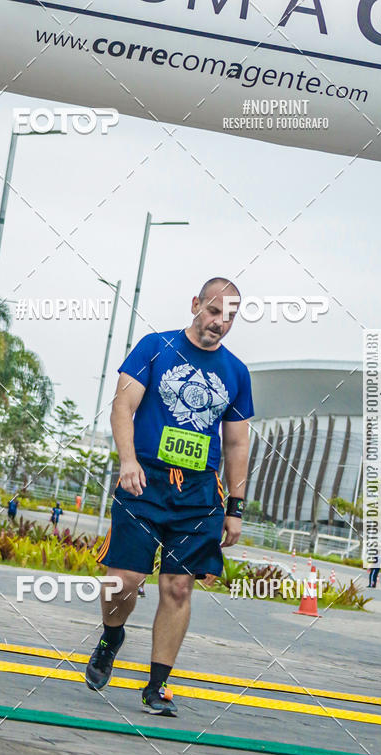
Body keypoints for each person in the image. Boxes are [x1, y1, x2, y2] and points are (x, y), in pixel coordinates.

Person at [85, 277, 254, 716]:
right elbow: (123, 407)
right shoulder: (154, 347)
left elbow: (237, 444)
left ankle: (157, 685)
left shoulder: (236, 373)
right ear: (196, 304)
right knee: (123, 581)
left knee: (178, 587)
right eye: (215, 311)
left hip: (199, 492)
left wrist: (235, 509)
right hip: (143, 480)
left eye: (230, 317)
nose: (220, 323)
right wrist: (127, 461)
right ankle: (111, 635)